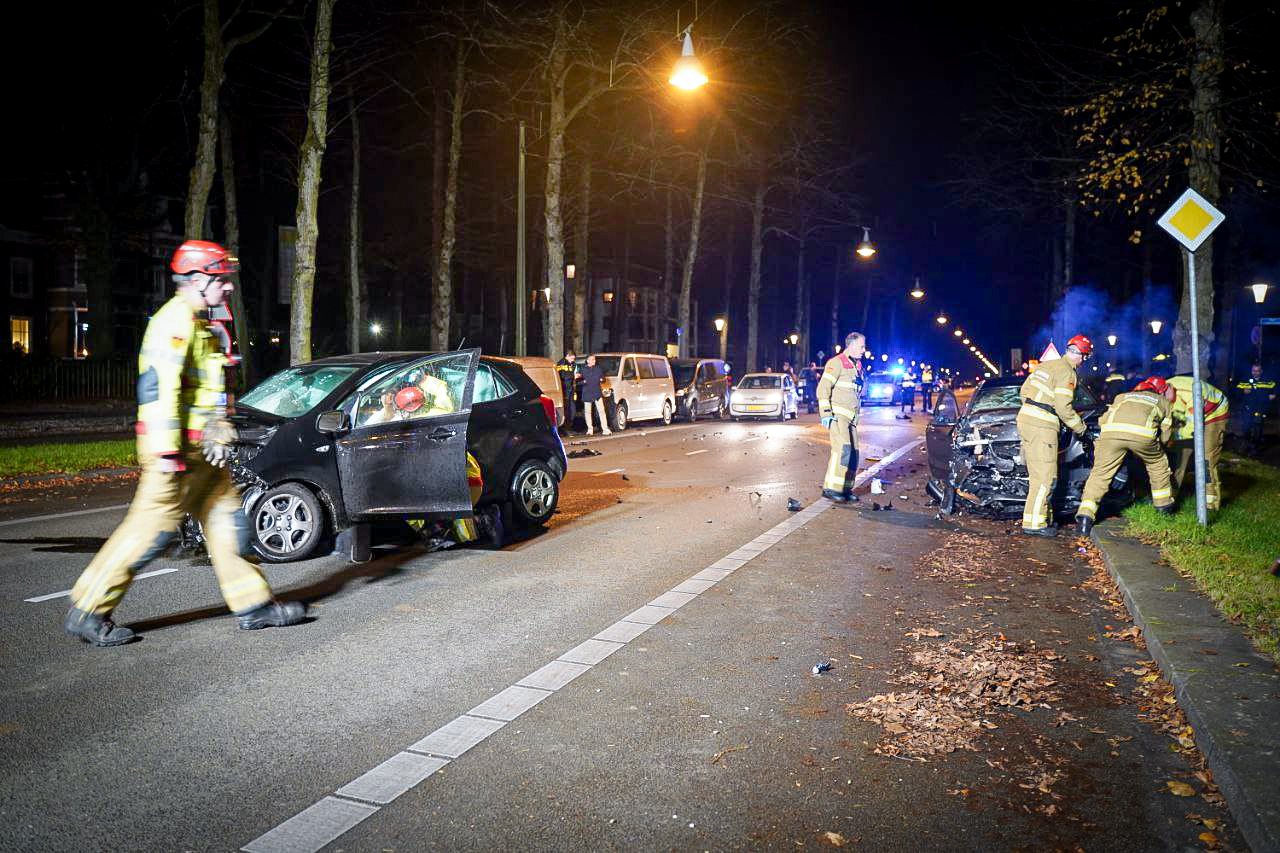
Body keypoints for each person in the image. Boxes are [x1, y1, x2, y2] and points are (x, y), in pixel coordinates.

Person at [63, 240, 306, 646]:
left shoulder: (204, 326)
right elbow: (158, 392)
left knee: (231, 527)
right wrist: (165, 453)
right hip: (174, 456)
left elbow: (209, 390)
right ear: (196, 279)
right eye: (220, 279)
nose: (227, 286)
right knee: (148, 534)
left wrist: (220, 425)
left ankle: (253, 606)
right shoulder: (172, 323)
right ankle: (88, 609)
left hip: (205, 458)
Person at [1075, 376, 1177, 535]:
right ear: (1158, 391)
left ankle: (1084, 518)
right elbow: (1166, 434)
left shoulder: (1122, 397)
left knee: (1100, 474)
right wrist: (1159, 446)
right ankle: (1164, 508)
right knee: (1158, 464)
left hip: (1110, 435)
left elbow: (1103, 420)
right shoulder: (1162, 402)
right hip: (1143, 437)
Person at [1016, 334, 1092, 537]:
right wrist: (1082, 429)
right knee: (1046, 477)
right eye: (1085, 356)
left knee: (1036, 475)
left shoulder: (1046, 366)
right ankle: (1034, 525)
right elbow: (1063, 408)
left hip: (1026, 419)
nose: (1084, 361)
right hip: (1043, 425)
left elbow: (1024, 392)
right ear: (1081, 355)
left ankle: (1041, 519)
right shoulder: (1067, 372)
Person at [1167, 374, 1230, 511]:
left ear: (1169, 390)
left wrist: (1172, 438)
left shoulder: (1191, 392)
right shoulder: (1164, 393)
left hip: (1214, 414)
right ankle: (1170, 496)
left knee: (1207, 457)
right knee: (1180, 457)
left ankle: (1210, 502)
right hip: (1191, 414)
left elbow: (1192, 427)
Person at [817, 331, 866, 504]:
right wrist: (826, 414)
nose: (864, 350)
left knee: (853, 454)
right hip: (838, 417)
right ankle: (831, 489)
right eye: (861, 346)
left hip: (851, 419)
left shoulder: (856, 366)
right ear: (851, 345)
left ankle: (845, 488)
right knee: (842, 451)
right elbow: (823, 389)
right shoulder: (836, 363)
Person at [1235, 363, 1276, 454]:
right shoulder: (1245, 381)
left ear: (1261, 371)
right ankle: (1246, 443)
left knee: (1257, 427)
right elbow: (1236, 393)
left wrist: (1274, 395)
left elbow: (1275, 390)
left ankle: (1254, 447)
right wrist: (1242, 391)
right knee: (1246, 427)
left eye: (1257, 371)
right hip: (1247, 408)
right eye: (1254, 371)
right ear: (1251, 371)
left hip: (1260, 408)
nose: (1255, 373)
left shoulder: (1267, 381)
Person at [579, 354, 611, 436]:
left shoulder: (598, 369)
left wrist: (602, 379)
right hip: (587, 393)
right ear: (587, 361)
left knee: (602, 411)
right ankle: (590, 430)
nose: (594, 361)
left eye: (594, 359)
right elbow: (577, 382)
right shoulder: (583, 369)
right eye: (592, 359)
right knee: (587, 412)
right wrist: (583, 382)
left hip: (597, 393)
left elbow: (603, 378)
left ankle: (605, 429)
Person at [556, 351, 579, 433]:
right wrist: (573, 376)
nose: (573, 359)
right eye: (572, 357)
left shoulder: (572, 364)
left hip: (571, 389)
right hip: (564, 389)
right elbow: (562, 376)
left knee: (572, 409)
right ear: (567, 356)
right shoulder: (561, 363)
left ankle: (569, 427)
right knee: (566, 409)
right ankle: (565, 429)